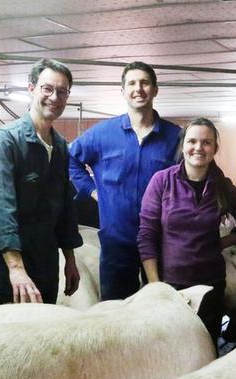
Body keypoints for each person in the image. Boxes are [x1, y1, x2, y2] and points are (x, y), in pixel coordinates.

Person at [137, 117, 236, 349]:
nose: (198, 148)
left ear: (214, 149)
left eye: (206, 142)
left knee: (204, 351)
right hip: (170, 285)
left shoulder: (222, 186)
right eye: (192, 141)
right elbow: (146, 235)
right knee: (168, 350)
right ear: (183, 145)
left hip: (210, 287)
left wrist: (221, 242)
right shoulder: (162, 182)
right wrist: (156, 286)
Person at [69, 61, 181, 301]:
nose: (138, 88)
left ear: (155, 89)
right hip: (116, 241)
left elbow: (195, 173)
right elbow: (70, 160)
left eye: (145, 83)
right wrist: (91, 190)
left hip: (162, 240)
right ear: (123, 91)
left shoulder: (176, 137)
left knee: (162, 306)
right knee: (115, 310)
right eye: (131, 83)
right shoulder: (102, 134)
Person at [0, 58, 82, 304]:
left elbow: (65, 208)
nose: (54, 97)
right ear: (31, 88)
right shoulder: (5, 142)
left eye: (62, 91)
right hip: (11, 263)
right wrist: (16, 269)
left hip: (46, 259)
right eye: (47, 89)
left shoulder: (60, 147)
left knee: (45, 329)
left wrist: (70, 260)